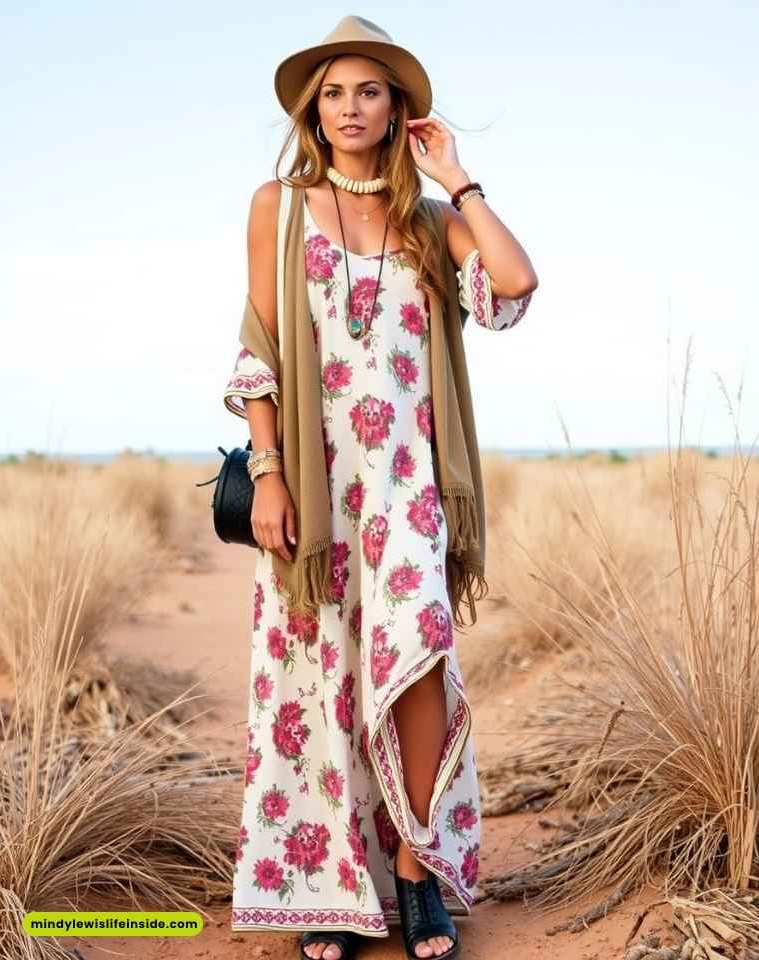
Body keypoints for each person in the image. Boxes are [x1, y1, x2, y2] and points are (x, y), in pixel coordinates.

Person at [224, 15, 537, 960]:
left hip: (409, 486)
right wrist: (269, 472)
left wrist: (460, 181)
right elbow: (260, 351)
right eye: (333, 92)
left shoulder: (430, 222)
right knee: (315, 677)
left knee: (419, 668)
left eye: (370, 90)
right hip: (317, 493)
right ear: (312, 111)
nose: (349, 107)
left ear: (399, 109)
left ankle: (414, 872)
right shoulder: (277, 206)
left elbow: (515, 288)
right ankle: (328, 884)